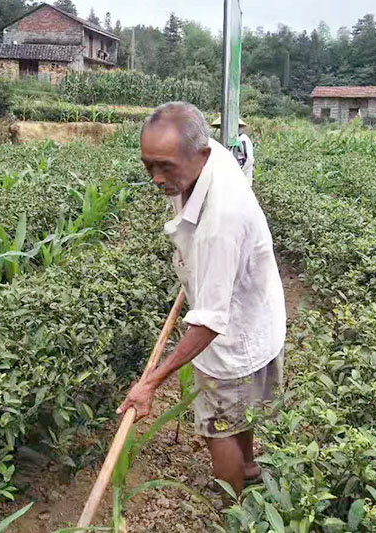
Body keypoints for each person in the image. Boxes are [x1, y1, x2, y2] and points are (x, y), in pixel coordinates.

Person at [117, 102, 286, 496]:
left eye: (166, 167)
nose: (156, 179)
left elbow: (209, 323)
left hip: (233, 336)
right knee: (237, 411)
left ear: (202, 154)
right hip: (253, 313)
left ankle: (230, 505)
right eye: (148, 166)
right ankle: (248, 471)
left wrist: (151, 383)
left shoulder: (220, 223)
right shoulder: (211, 157)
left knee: (218, 427)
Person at [235, 119, 255, 186]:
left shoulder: (243, 139)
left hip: (244, 176)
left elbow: (249, 159)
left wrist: (241, 171)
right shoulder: (236, 139)